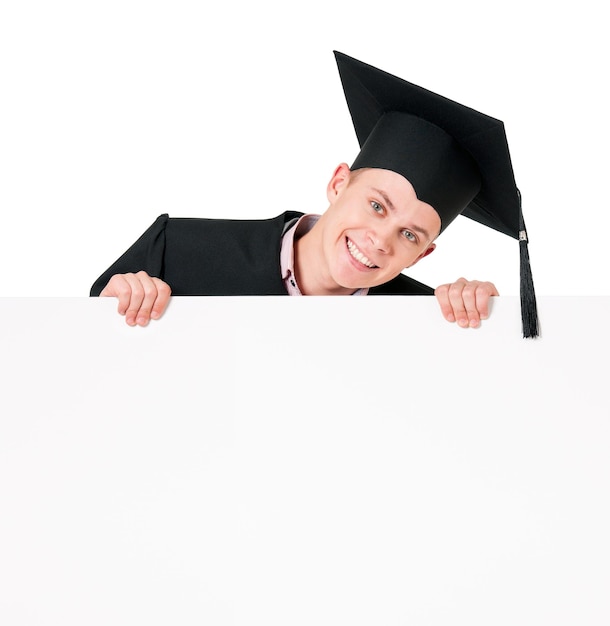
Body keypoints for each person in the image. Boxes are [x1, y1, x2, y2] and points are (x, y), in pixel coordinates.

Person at [91, 51, 538, 337]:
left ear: (423, 256)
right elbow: (74, 369)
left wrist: (484, 331)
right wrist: (113, 310)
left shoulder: (424, 321)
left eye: (410, 236)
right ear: (339, 183)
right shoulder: (178, 251)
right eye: (377, 205)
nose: (381, 240)